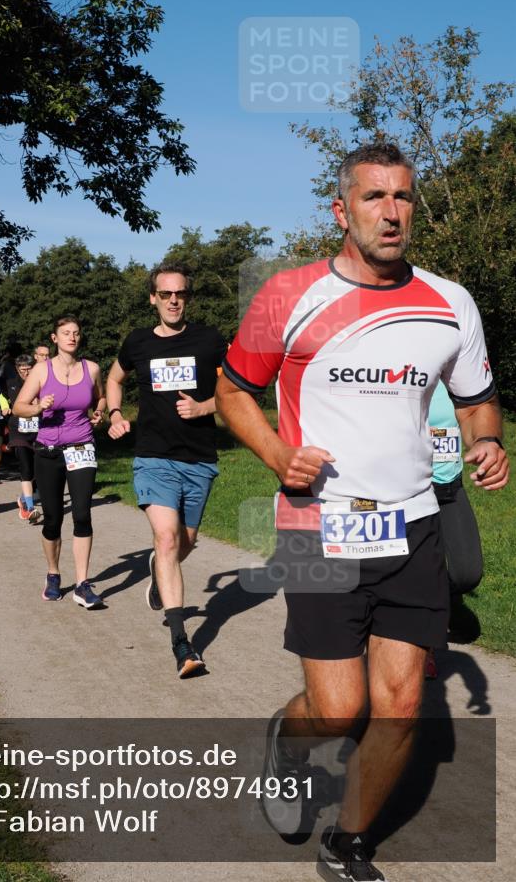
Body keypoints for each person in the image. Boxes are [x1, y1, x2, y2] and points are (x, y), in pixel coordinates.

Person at [215, 142, 509, 882]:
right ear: (341, 209)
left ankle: (348, 843)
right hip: (320, 527)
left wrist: (488, 441)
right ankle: (287, 744)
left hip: (414, 525)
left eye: (404, 197)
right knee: (339, 709)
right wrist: (280, 458)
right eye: (374, 197)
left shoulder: (450, 303)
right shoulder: (289, 294)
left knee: (403, 703)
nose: (392, 211)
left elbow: (475, 398)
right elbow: (231, 391)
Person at [106, 263, 228, 678]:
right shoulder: (138, 342)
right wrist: (116, 413)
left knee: (182, 544)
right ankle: (182, 643)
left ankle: (161, 577)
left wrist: (204, 407)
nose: (173, 300)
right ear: (153, 299)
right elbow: (114, 378)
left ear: (186, 298)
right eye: (166, 294)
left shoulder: (209, 340)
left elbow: (235, 391)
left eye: (180, 294)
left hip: (199, 459)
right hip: (153, 457)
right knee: (165, 537)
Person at [14, 316, 106, 607]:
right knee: (53, 519)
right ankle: (53, 574)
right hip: (48, 450)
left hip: (81, 447)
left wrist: (99, 411)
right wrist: (39, 406)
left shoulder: (91, 369)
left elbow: (101, 398)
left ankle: (82, 583)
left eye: (76, 333)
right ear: (54, 338)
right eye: (65, 333)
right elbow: (18, 406)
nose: (72, 337)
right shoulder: (42, 370)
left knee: (82, 514)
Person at [425, 381, 484, 678]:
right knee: (416, 572)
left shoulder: (453, 374)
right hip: (411, 490)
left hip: (450, 486)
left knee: (466, 572)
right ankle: (420, 643)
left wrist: (487, 444)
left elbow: (477, 410)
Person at [9, 354, 41, 523]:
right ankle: (29, 508)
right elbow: (15, 405)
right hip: (19, 432)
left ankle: (23, 500)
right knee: (26, 468)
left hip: (38, 432)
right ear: (17, 369)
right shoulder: (12, 384)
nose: (26, 373)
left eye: (29, 369)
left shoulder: (41, 382)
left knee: (38, 470)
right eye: (23, 370)